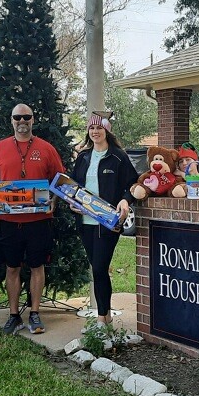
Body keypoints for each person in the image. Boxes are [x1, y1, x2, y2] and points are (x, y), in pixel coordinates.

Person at [0, 103, 66, 335]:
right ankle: (14, 315)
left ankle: (35, 314)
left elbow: (59, 179)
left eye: (26, 117)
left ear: (32, 120)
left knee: (37, 267)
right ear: (11, 120)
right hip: (8, 221)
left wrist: (54, 202)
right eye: (17, 117)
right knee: (12, 268)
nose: (22, 121)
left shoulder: (46, 149)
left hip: (39, 221)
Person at [70, 111, 137, 329]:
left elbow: (133, 184)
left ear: (106, 130)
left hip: (108, 223)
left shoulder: (118, 156)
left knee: (99, 268)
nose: (95, 131)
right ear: (88, 132)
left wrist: (126, 201)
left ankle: (100, 318)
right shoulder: (83, 157)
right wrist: (72, 202)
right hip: (85, 223)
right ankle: (106, 315)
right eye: (92, 128)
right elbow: (73, 187)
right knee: (97, 268)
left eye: (99, 128)